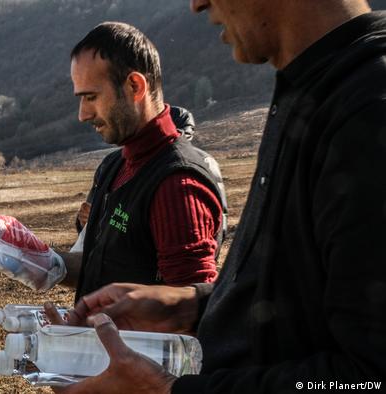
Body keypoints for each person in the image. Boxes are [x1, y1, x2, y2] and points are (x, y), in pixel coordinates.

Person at [52, 1, 386, 393]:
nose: (196, 5)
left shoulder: (367, 110)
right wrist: (188, 306)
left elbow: (366, 380)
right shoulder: (313, 91)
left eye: (90, 96)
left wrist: (164, 390)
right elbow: (295, 302)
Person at [59, 22, 227, 301]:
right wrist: (42, 262)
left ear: (135, 86)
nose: (83, 114)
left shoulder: (177, 184)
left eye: (91, 97)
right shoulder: (116, 166)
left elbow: (188, 316)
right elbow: (103, 269)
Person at [74, 106, 198, 234]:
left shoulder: (187, 171)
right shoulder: (112, 164)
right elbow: (91, 212)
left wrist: (103, 221)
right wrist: (85, 222)